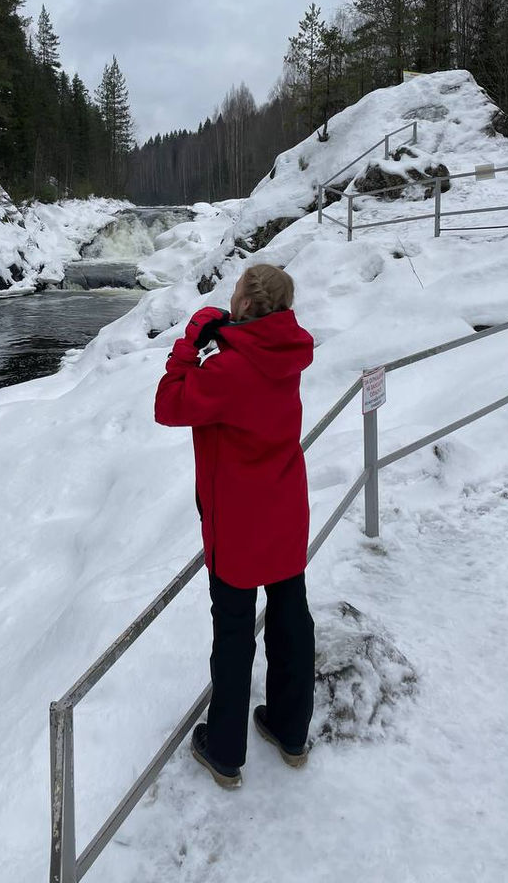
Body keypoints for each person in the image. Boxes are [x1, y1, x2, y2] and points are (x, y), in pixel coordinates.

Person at [154, 264, 316, 789]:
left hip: (239, 521)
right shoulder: (285, 355)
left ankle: (224, 750)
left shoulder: (229, 370)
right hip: (285, 508)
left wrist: (190, 340)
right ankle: (291, 732)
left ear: (244, 307)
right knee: (291, 618)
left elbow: (168, 403)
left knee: (233, 634)